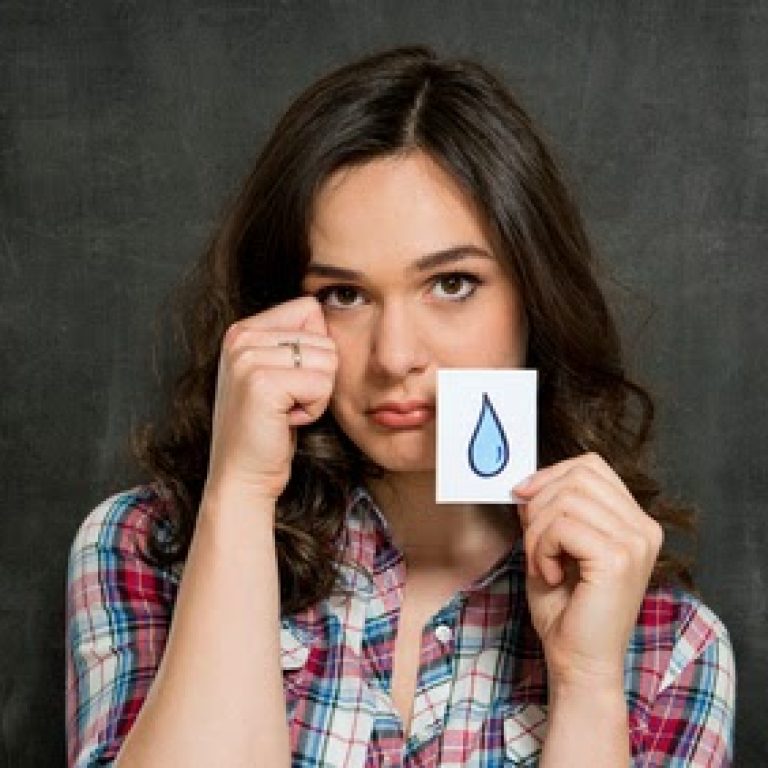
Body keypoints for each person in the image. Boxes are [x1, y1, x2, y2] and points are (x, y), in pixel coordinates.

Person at [65, 46, 735, 767]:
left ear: (533, 298)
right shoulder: (147, 547)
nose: (394, 356)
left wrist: (589, 684)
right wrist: (242, 491)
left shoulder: (672, 649)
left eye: (451, 283)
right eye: (344, 296)